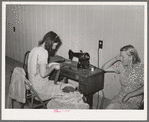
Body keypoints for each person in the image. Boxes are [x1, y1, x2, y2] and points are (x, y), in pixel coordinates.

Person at [27, 31, 74, 101]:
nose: (54, 48)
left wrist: (49, 65)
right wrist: (53, 66)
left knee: (60, 85)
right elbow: (43, 74)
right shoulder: (43, 52)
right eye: (55, 45)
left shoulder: (35, 49)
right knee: (70, 88)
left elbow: (37, 68)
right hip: (40, 91)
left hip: (32, 87)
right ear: (51, 42)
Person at [102, 45, 144, 109]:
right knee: (108, 108)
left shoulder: (140, 69)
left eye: (122, 57)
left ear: (131, 57)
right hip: (121, 96)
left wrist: (130, 95)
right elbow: (104, 68)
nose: (120, 59)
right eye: (120, 56)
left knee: (111, 107)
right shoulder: (121, 66)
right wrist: (115, 58)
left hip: (134, 100)